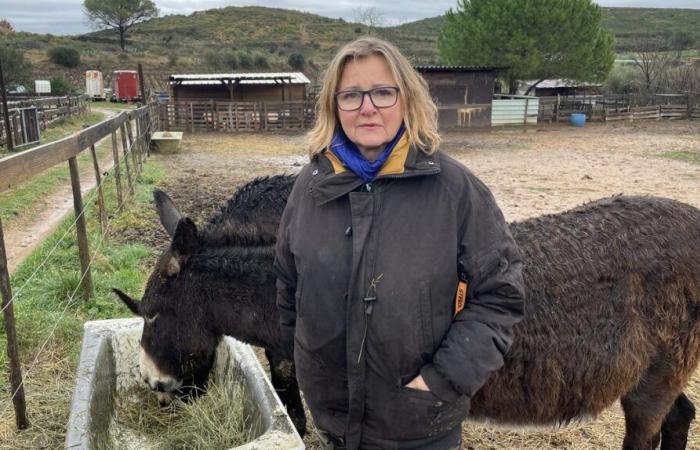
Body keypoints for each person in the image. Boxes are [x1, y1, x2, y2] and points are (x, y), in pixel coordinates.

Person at [274, 37, 525, 450]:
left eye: (383, 92)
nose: (367, 106)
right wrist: (308, 360)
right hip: (333, 417)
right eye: (351, 95)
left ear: (406, 99)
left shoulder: (454, 188)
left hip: (418, 425)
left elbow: (500, 294)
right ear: (334, 106)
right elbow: (288, 283)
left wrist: (441, 380)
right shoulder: (310, 187)